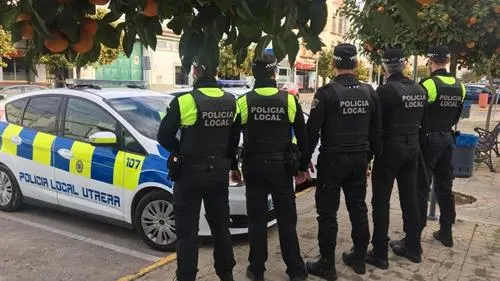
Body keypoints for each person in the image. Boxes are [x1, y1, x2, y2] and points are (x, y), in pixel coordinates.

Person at [230, 53, 309, 281]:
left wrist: (234, 165)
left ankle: (256, 270)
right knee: (286, 220)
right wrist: (303, 167)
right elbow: (303, 139)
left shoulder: (243, 101)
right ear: (275, 73)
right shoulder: (290, 101)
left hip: (253, 167)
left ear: (254, 73)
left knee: (256, 221)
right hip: (282, 169)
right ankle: (295, 270)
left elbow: (233, 139)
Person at [305, 43, 380, 280]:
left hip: (333, 160)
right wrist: (368, 158)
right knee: (358, 208)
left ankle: (327, 265)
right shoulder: (370, 92)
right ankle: (359, 257)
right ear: (356, 64)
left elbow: (312, 132)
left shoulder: (326, 93)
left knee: (327, 213)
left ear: (334, 64)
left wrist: (302, 162)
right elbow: (376, 131)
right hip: (359, 159)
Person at [157, 62, 237, 281]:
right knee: (221, 228)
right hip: (218, 174)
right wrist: (231, 165)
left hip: (189, 173)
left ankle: (186, 277)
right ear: (217, 70)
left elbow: (163, 136)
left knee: (187, 232)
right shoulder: (232, 101)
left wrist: (178, 151)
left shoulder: (184, 101)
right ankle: (226, 275)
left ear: (194, 72)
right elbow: (233, 139)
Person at [367, 48, 427, 269]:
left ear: (384, 67)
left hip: (389, 150)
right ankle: (413, 247)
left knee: (380, 201)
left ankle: (380, 253)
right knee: (409, 199)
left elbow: (376, 125)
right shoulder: (420, 89)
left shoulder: (385, 91)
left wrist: (370, 153)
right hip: (412, 148)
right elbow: (424, 124)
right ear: (404, 66)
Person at [416, 46, 466, 248]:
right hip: (448, 140)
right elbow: (456, 116)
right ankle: (446, 232)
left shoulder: (429, 84)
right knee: (445, 187)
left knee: (421, 188)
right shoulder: (460, 86)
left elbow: (418, 115)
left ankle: (414, 236)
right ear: (446, 61)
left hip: (429, 141)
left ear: (430, 62)